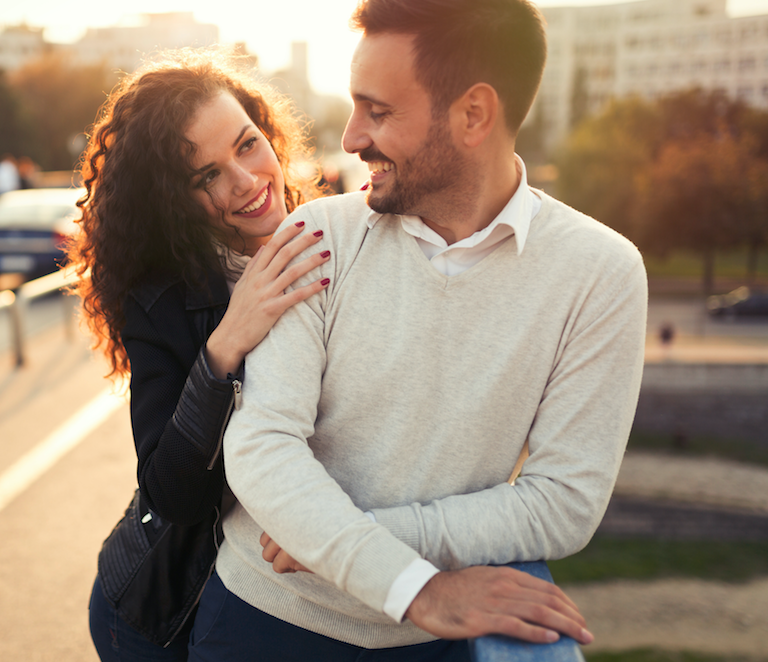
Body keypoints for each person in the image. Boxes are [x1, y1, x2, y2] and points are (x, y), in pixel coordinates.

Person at [188, 0, 648, 660]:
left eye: (377, 111)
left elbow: (562, 503)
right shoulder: (317, 236)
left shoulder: (601, 273)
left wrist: (357, 537)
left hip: (432, 644)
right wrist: (416, 588)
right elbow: (262, 448)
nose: (349, 139)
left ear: (473, 115)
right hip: (266, 622)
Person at [66, 49, 327, 661]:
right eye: (205, 176)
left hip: (272, 608)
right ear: (173, 200)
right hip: (157, 612)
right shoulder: (160, 299)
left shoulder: (332, 235)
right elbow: (171, 493)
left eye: (247, 145)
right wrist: (224, 345)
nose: (246, 182)